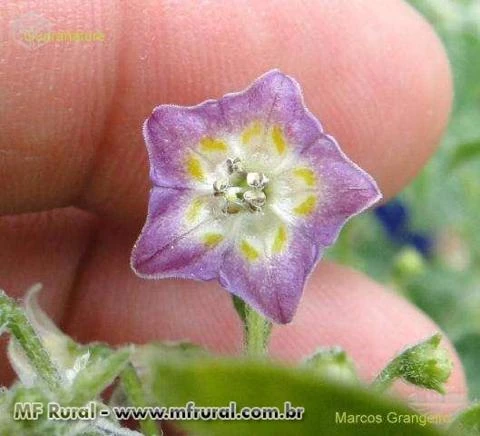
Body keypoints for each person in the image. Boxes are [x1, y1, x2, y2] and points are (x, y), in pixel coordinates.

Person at [0, 0, 466, 415]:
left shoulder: (277, 129)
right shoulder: (249, 125)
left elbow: (340, 181)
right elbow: (239, 108)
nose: (244, 193)